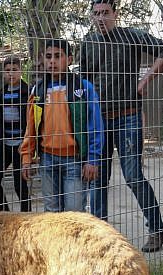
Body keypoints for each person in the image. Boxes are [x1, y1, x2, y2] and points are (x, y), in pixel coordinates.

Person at [78, 0, 163, 252]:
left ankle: (157, 230)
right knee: (97, 177)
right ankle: (100, 235)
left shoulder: (130, 36)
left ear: (115, 14)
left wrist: (145, 79)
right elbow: (84, 84)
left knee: (132, 176)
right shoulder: (88, 43)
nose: (100, 18)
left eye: (105, 13)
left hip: (128, 116)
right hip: (99, 120)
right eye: (96, 13)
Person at [19, 39, 104, 212]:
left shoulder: (83, 88)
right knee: (52, 215)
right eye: (48, 57)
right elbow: (31, 127)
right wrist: (26, 158)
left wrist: (93, 158)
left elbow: (95, 124)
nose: (52, 61)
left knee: (74, 215)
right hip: (47, 161)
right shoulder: (38, 91)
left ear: (70, 60)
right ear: (43, 59)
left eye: (58, 56)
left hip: (74, 161)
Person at [0, 56, 32, 212]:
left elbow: (33, 120)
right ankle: (5, 213)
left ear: (21, 71)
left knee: (20, 185)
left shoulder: (28, 92)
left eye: (14, 70)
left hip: (20, 145)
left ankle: (26, 216)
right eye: (7, 71)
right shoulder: (1, 94)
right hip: (4, 145)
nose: (11, 74)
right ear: (3, 73)